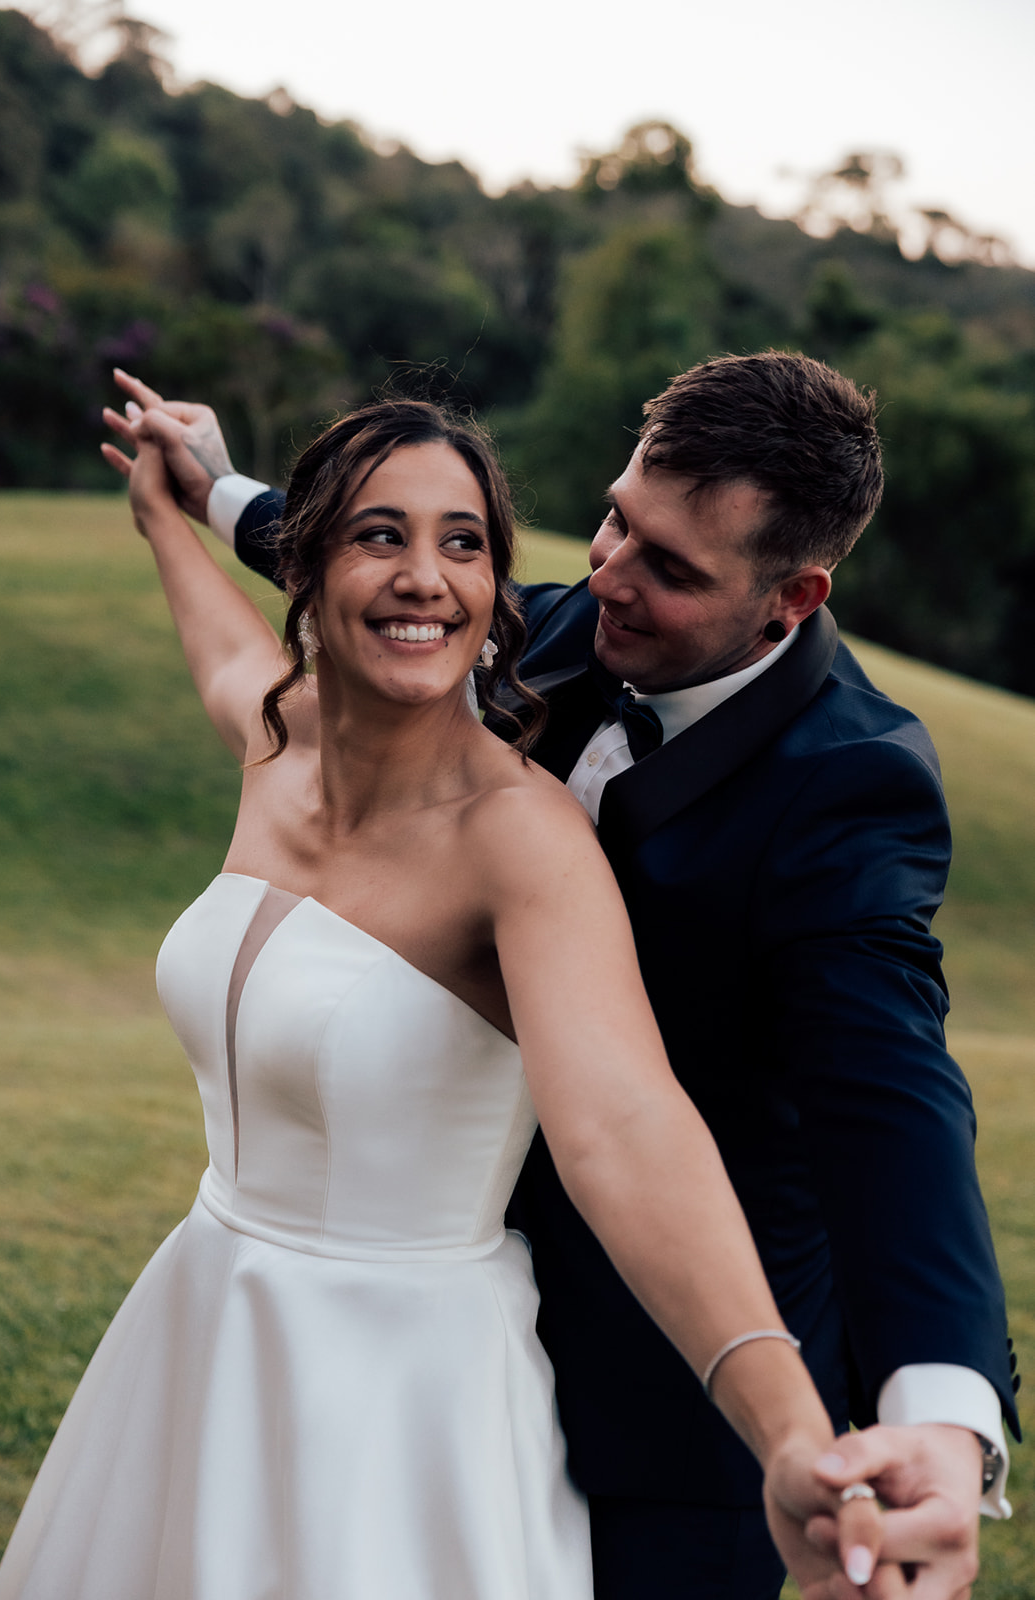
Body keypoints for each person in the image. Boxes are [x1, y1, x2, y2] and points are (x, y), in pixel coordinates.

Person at [108, 350, 1020, 1600]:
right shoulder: (563, 621)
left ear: (792, 597)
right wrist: (211, 492)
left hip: (683, 1396)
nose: (605, 576)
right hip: (404, 1293)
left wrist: (937, 1407)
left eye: (669, 568)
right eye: (612, 520)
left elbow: (892, 1101)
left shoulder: (849, 789)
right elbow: (376, 578)